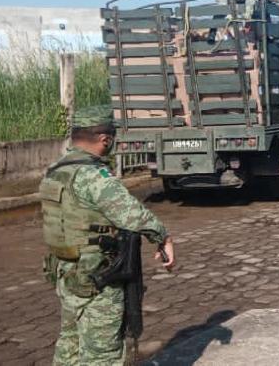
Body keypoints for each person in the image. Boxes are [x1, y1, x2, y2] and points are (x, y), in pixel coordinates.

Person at [40, 106, 176, 365]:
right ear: (105, 139)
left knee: (70, 347)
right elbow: (132, 215)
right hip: (96, 279)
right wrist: (163, 237)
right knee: (103, 355)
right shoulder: (93, 176)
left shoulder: (55, 170)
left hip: (65, 274)